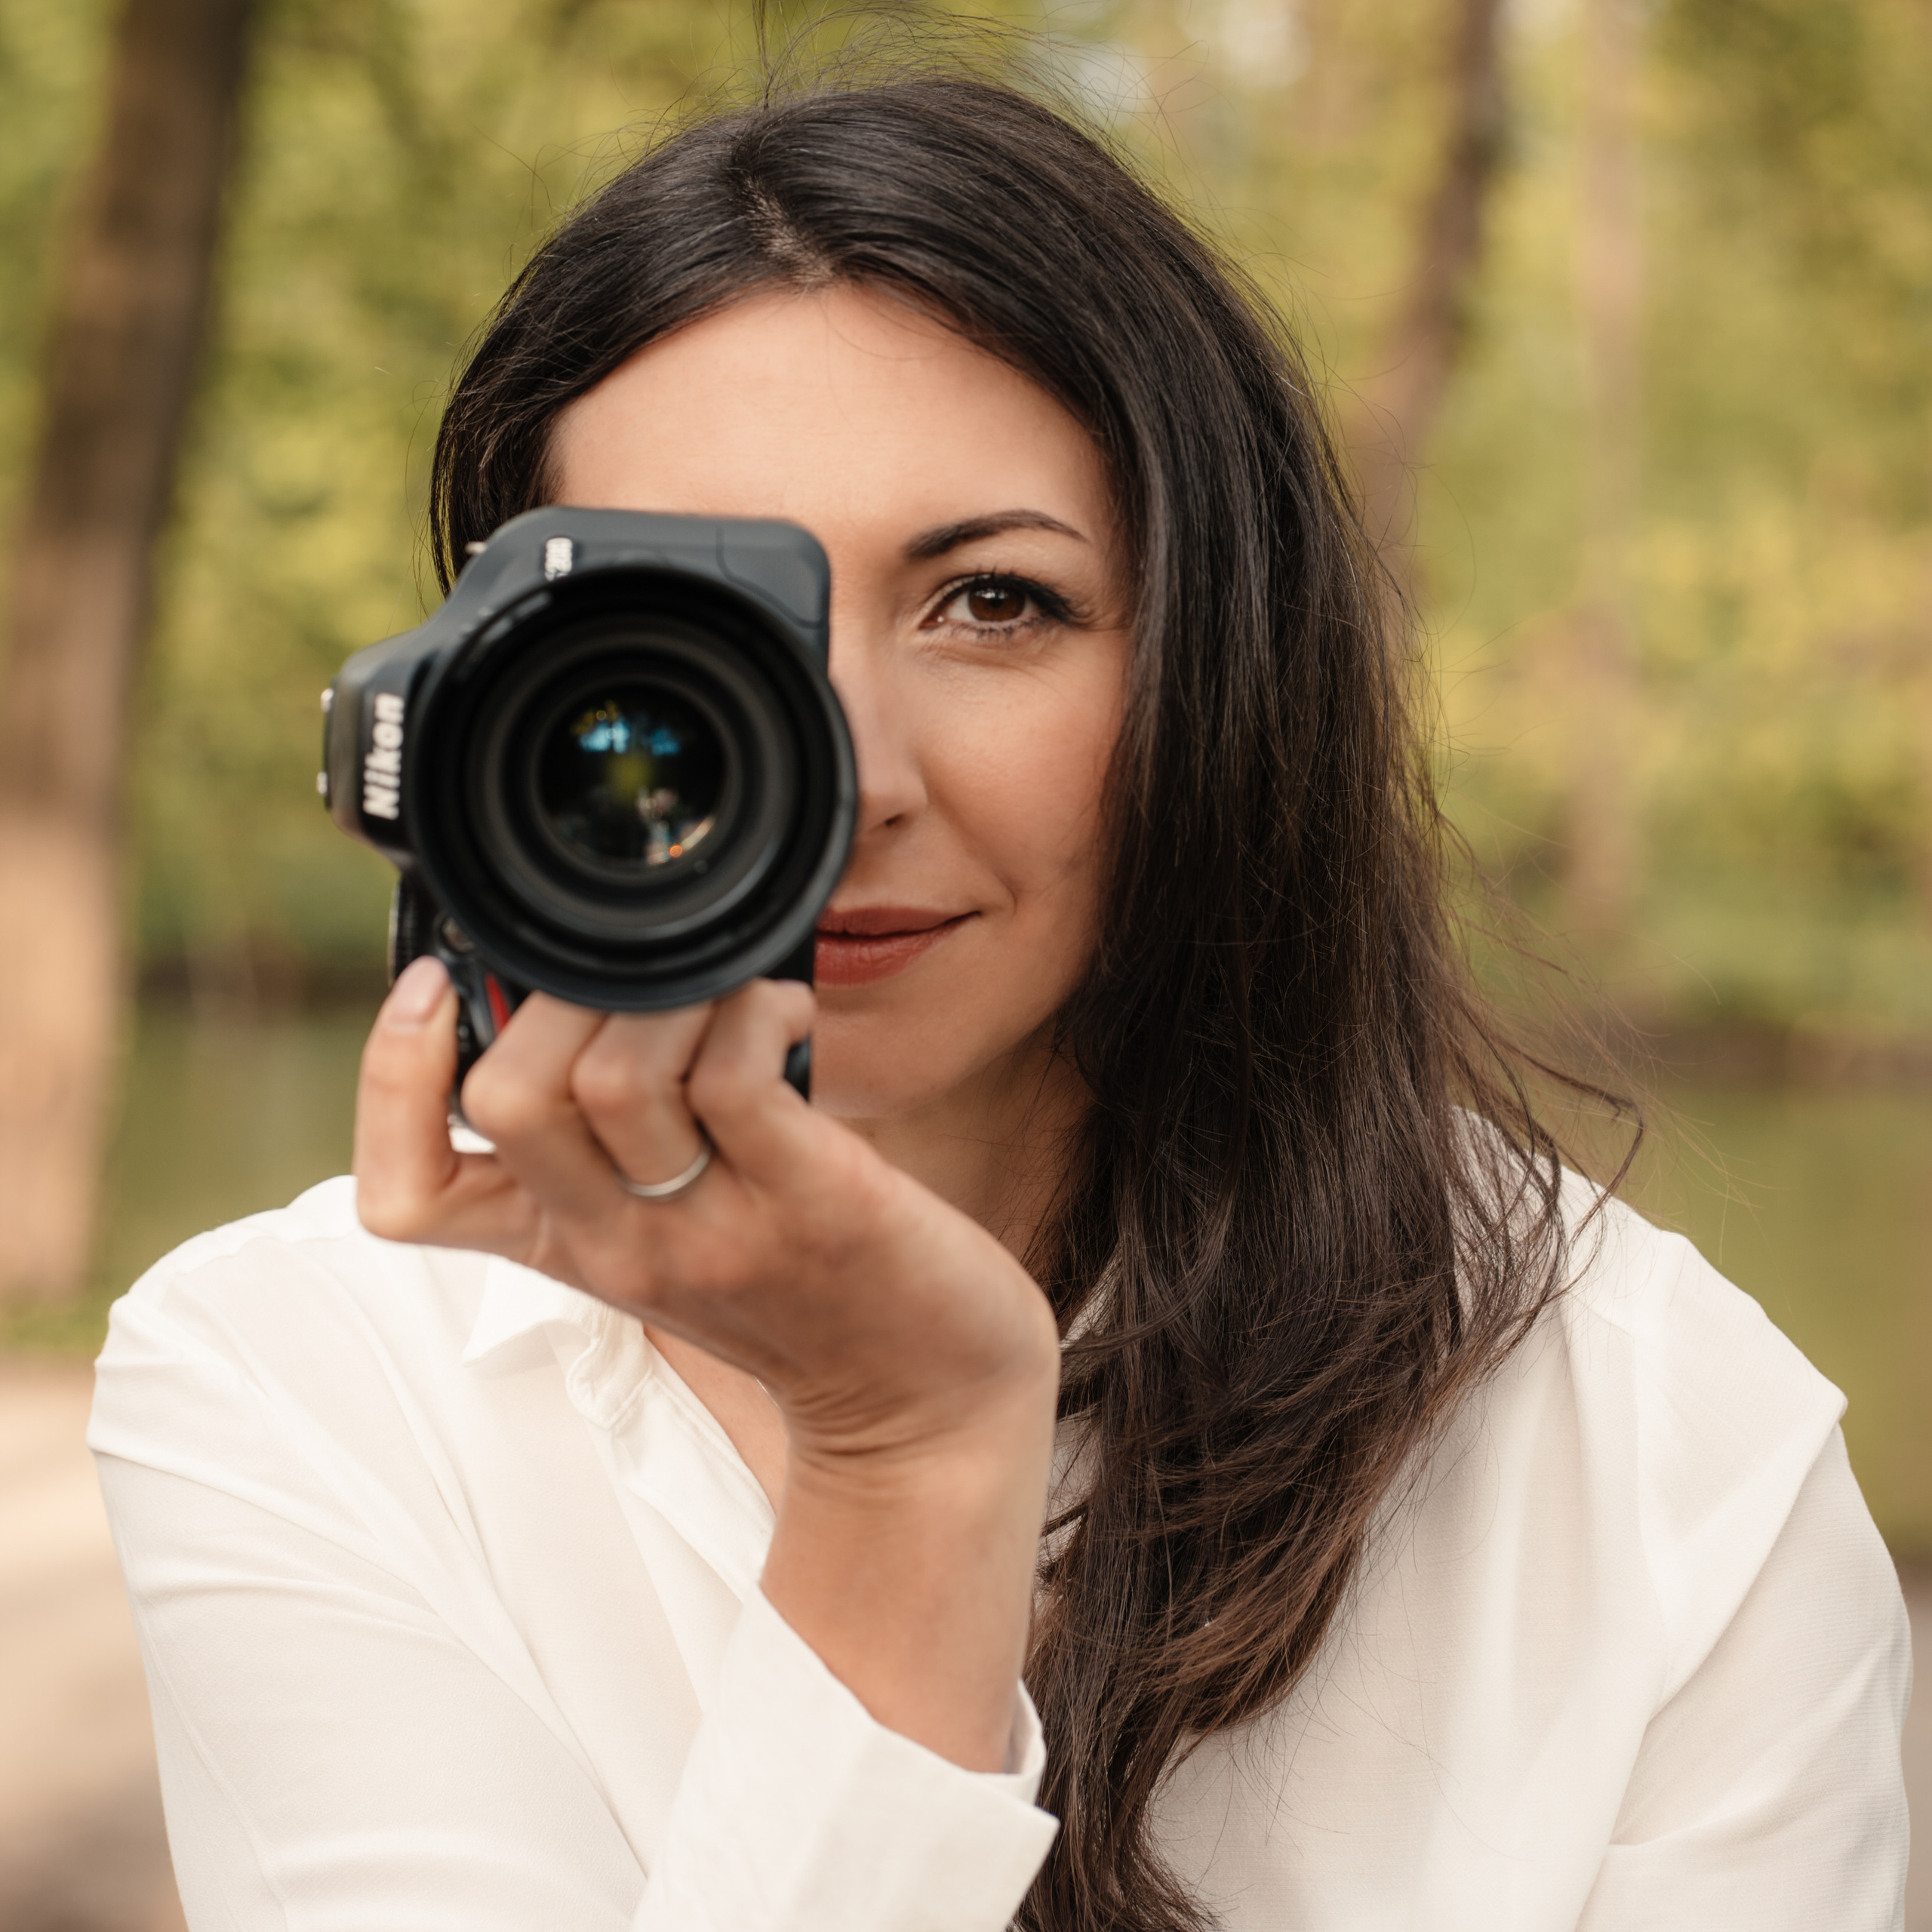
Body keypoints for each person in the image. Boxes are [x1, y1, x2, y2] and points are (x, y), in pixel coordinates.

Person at [89, 72, 1909, 1932]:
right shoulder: (303, 1380)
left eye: (992, 603)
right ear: (489, 703)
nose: (849, 773)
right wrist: (907, 1468)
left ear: (1221, 669)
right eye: (700, 623)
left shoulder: (1661, 1444)